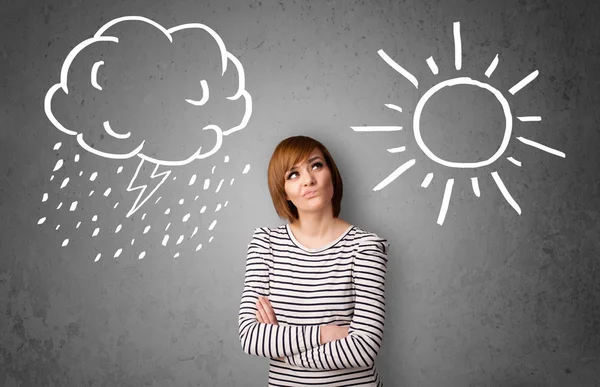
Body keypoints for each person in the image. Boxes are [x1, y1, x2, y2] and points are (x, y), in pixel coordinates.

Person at [238, 135, 390, 386]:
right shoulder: (265, 244)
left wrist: (280, 348)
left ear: (332, 173)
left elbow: (364, 349)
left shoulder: (365, 247)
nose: (308, 179)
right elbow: (251, 337)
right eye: (293, 174)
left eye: (316, 165)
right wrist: (326, 333)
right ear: (283, 191)